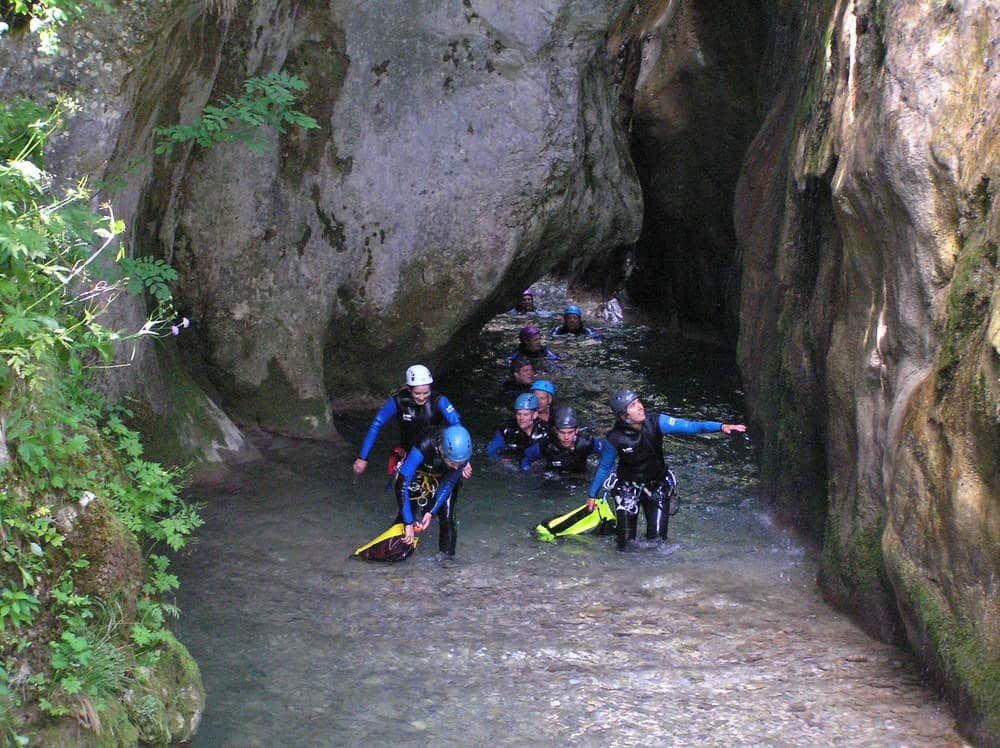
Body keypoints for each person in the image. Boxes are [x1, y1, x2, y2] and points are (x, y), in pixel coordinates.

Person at [585, 390, 746, 551]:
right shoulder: (615, 438)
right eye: (633, 406)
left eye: (639, 402)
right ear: (623, 415)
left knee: (657, 544)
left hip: (657, 486)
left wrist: (721, 426)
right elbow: (605, 466)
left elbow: (692, 427)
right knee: (625, 545)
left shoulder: (657, 422)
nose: (640, 407)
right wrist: (592, 495)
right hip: (628, 488)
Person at [353, 364, 460, 476]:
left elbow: (456, 424)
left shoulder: (439, 400)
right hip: (409, 452)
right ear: (409, 389)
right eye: (417, 393)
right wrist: (362, 457)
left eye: (426, 393)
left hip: (435, 452)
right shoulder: (398, 401)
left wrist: (461, 456)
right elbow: (376, 424)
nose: (422, 397)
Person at [395, 425, 473, 555]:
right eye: (454, 462)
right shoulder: (424, 445)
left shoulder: (462, 454)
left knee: (447, 516)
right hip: (421, 470)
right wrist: (408, 523)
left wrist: (431, 512)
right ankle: (397, 553)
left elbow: (448, 483)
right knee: (408, 514)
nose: (457, 467)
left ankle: (447, 561)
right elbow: (401, 485)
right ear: (443, 452)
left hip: (443, 475)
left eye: (460, 464)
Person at [521, 406, 605, 474]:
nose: (566, 437)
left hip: (579, 477)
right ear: (556, 431)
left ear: (576, 431)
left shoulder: (586, 442)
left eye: (570, 432)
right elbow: (526, 457)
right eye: (562, 432)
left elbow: (608, 454)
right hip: (553, 479)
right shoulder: (547, 444)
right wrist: (527, 472)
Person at [486, 393, 547, 459]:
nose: (521, 418)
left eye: (526, 415)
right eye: (519, 414)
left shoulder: (545, 433)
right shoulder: (506, 429)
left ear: (535, 415)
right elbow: (491, 451)